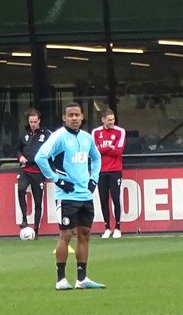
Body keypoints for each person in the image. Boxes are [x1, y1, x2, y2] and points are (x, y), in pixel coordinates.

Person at [35, 102, 105, 290]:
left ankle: (82, 279)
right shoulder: (58, 137)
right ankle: (61, 279)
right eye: (70, 115)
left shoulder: (87, 138)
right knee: (66, 234)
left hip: (85, 195)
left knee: (85, 234)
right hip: (66, 195)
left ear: (82, 117)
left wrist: (94, 179)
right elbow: (40, 157)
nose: (74, 118)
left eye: (77, 115)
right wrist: (56, 180)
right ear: (64, 118)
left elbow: (97, 158)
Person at [15, 108, 50, 236]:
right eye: (31, 122)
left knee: (38, 201)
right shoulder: (24, 134)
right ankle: (24, 219)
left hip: (38, 171)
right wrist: (20, 157)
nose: (33, 124)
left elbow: (52, 150)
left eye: (35, 122)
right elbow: (18, 150)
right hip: (25, 169)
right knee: (21, 189)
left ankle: (36, 229)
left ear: (39, 121)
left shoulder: (46, 134)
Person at [93, 108, 125, 239]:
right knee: (103, 199)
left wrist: (103, 149)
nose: (112, 122)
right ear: (103, 120)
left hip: (115, 170)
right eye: (109, 120)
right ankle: (107, 227)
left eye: (113, 119)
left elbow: (118, 151)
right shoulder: (96, 132)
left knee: (116, 198)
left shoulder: (120, 131)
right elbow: (95, 151)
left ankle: (118, 227)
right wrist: (110, 147)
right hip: (100, 171)